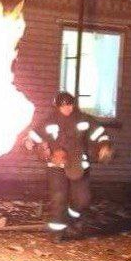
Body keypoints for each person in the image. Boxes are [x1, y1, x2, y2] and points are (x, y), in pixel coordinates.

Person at [25, 91, 113, 240]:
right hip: (56, 165)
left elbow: (99, 133)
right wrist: (29, 143)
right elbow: (33, 136)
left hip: (79, 165)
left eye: (70, 104)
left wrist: (104, 145)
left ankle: (71, 217)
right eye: (63, 105)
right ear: (57, 106)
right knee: (58, 198)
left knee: (83, 199)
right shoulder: (49, 121)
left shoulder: (84, 120)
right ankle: (57, 232)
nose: (67, 108)